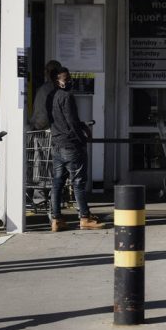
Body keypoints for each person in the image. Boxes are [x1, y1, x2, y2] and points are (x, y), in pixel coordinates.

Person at [48, 67, 104, 231]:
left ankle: (56, 219)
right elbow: (71, 121)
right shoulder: (67, 96)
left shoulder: (51, 96)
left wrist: (81, 126)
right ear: (57, 80)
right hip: (71, 145)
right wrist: (82, 139)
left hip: (57, 144)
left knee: (57, 183)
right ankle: (85, 218)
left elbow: (61, 120)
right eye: (66, 78)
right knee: (78, 183)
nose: (70, 80)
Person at [30, 59, 61, 130]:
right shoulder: (64, 89)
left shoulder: (44, 90)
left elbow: (42, 117)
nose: (44, 72)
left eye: (47, 70)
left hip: (46, 133)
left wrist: (35, 127)